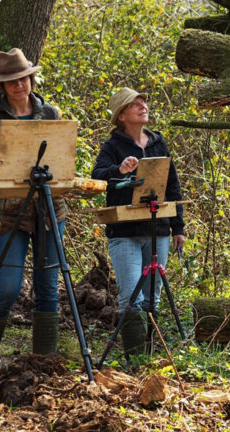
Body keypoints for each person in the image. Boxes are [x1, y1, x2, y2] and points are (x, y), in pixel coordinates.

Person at [0, 48, 65, 374]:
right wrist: (14, 167)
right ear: (3, 85)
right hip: (11, 211)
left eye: (23, 78)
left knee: (47, 287)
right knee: (9, 284)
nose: (19, 85)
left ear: (31, 78)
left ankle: (44, 362)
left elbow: (62, 156)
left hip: (49, 210)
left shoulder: (50, 113)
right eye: (11, 81)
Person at [91, 87, 185, 355]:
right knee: (132, 298)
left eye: (144, 101)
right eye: (135, 104)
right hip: (125, 231)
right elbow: (97, 177)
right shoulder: (112, 147)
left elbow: (173, 186)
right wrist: (118, 169)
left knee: (152, 299)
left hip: (159, 231)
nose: (143, 106)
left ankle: (151, 361)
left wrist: (178, 227)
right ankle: (135, 361)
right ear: (122, 115)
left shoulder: (158, 142)